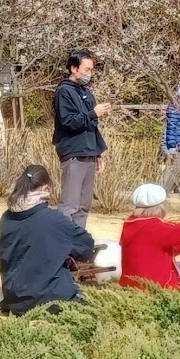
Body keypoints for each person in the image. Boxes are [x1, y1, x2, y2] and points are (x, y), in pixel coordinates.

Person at [0, 164, 97, 315]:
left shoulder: (6, 218)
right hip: (50, 301)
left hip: (14, 301)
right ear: (45, 188)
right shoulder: (54, 220)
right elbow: (86, 247)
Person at [52, 49, 109, 228]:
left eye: (92, 70)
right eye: (86, 69)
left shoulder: (86, 92)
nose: (89, 73)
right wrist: (93, 113)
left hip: (89, 152)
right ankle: (62, 247)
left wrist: (98, 153)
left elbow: (91, 125)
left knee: (84, 206)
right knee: (70, 205)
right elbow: (68, 121)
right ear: (74, 68)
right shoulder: (64, 92)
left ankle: (77, 247)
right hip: (74, 153)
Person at [119, 183, 180, 291]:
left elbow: (159, 249)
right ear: (159, 209)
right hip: (152, 288)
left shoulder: (132, 225)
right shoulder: (154, 227)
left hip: (130, 285)